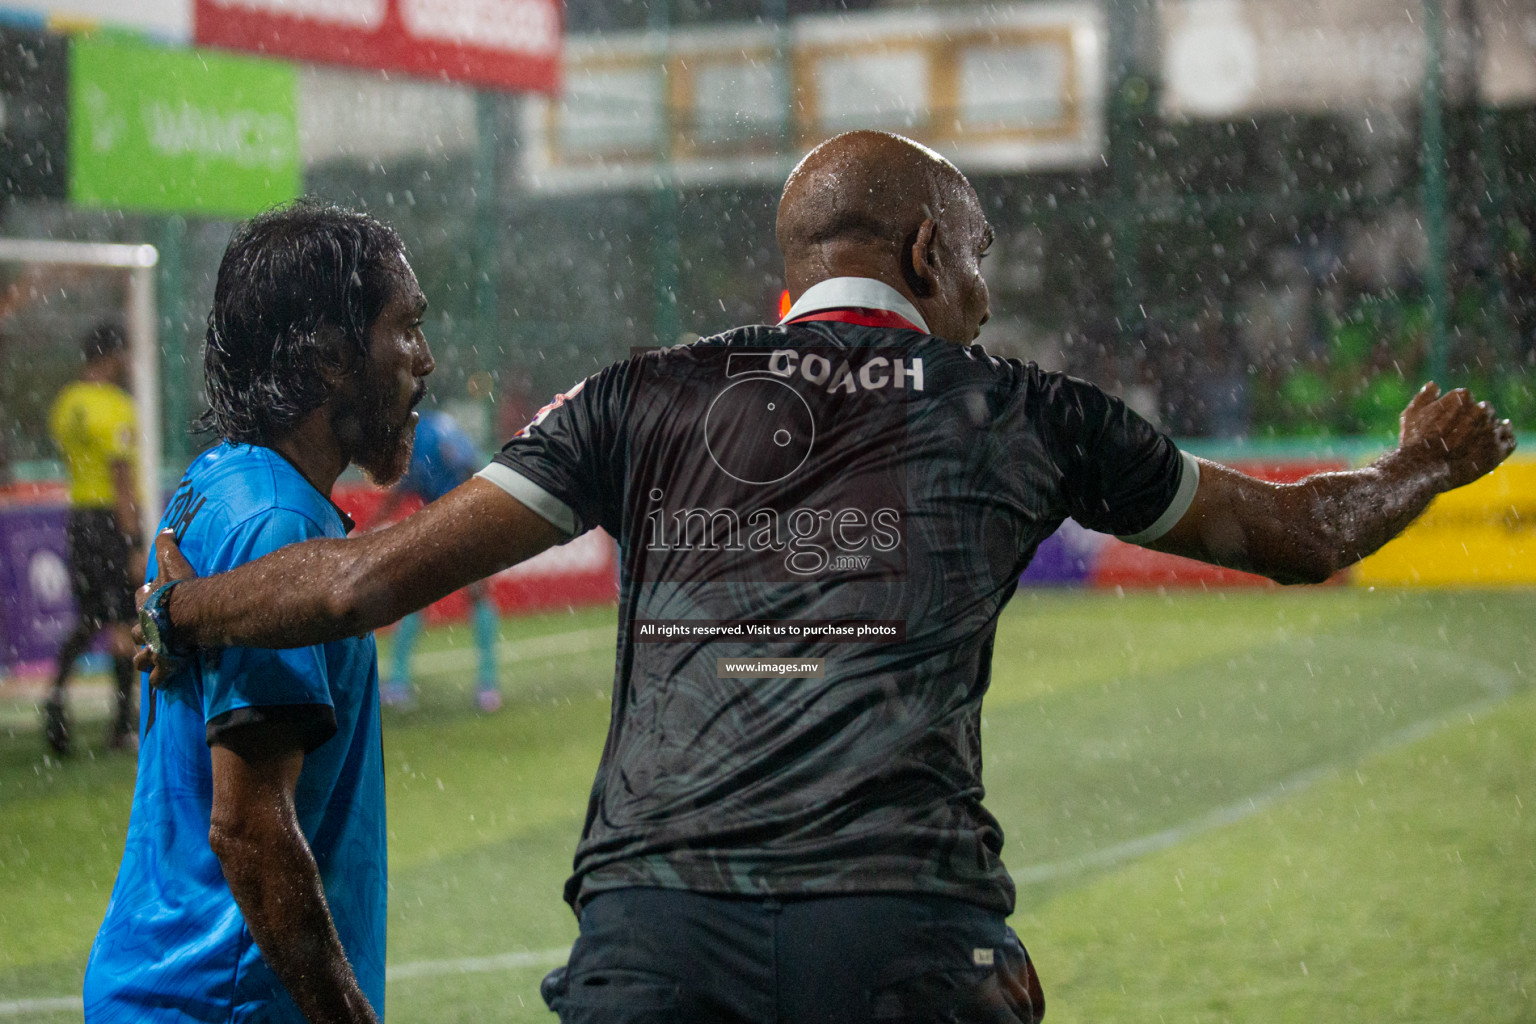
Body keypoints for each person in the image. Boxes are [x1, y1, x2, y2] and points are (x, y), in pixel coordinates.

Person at [133, 131, 1517, 1024]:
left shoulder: (639, 398)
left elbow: (357, 583)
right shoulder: (1020, 406)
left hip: (653, 949)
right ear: (927, 253)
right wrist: (1421, 465)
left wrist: (176, 609)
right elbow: (1300, 538)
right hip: (904, 943)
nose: (982, 288)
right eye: (977, 255)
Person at [85, 200, 434, 1024]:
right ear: (325, 361)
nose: (423, 358)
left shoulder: (222, 479)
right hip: (227, 1000)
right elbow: (248, 828)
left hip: (175, 987)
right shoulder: (273, 525)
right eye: (406, 328)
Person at [45, 321, 141, 754]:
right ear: (113, 355)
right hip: (108, 520)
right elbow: (121, 477)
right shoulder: (116, 407)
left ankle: (56, 702)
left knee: (88, 619)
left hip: (78, 517)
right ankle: (122, 725)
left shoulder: (65, 404)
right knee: (124, 620)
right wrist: (135, 539)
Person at [368, 408, 502, 712]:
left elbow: (472, 466)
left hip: (464, 516)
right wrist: (370, 528)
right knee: (422, 594)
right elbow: (399, 495)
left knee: (472, 593)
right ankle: (403, 682)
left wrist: (471, 517)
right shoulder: (420, 438)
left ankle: (487, 683)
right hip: (443, 521)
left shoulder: (432, 432)